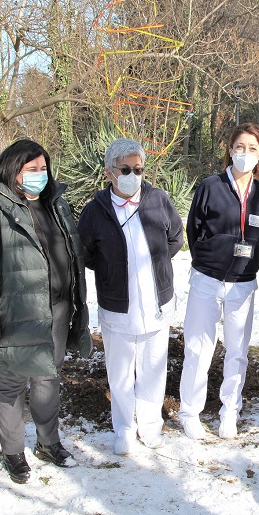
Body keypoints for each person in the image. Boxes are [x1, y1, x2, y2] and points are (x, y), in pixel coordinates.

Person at [0, 139, 92, 484]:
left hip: (58, 308)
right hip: (16, 313)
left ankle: (48, 443)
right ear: (13, 170)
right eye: (31, 169)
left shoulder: (55, 204)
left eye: (43, 169)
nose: (40, 175)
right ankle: (12, 451)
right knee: (11, 382)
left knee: (48, 377)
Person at [77, 139, 184, 456]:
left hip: (156, 303)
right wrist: (111, 271)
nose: (133, 175)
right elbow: (85, 252)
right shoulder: (96, 211)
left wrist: (157, 268)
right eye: (126, 170)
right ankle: (124, 428)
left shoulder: (158, 200)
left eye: (138, 169)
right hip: (118, 306)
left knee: (153, 368)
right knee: (120, 373)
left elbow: (175, 238)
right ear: (110, 172)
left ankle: (150, 426)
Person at [179, 122, 259, 440]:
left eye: (252, 149)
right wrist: (219, 251)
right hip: (207, 280)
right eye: (240, 147)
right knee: (198, 349)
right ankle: (190, 413)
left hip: (243, 284)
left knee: (237, 352)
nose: (245, 154)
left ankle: (229, 412)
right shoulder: (210, 186)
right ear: (230, 150)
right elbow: (194, 231)